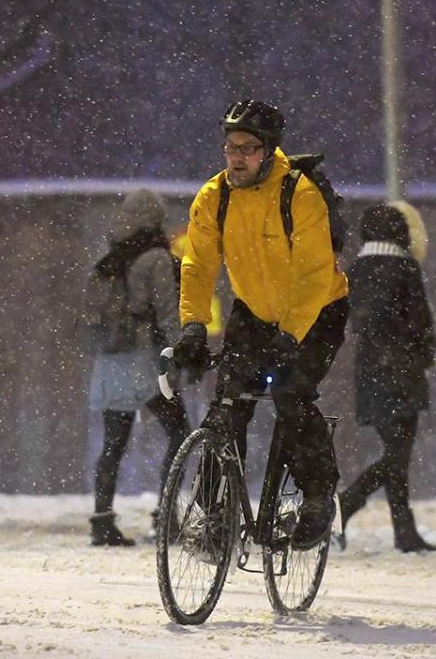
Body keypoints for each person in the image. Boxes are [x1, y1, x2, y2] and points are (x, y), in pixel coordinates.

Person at [174, 100, 350, 550]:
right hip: (254, 311)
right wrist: (194, 327)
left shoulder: (300, 194)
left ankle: (316, 498)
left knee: (290, 394)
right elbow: (197, 264)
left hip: (317, 311)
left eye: (248, 148)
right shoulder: (215, 197)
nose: (237, 156)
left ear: (269, 151)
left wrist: (290, 337)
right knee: (227, 406)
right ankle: (214, 517)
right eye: (230, 146)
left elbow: (314, 274)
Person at [83, 189, 191, 547]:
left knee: (114, 442)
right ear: (156, 218)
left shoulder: (112, 253)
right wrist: (179, 351)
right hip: (144, 360)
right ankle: (165, 516)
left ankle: (102, 520)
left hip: (112, 357)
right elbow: (166, 312)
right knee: (180, 431)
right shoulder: (157, 257)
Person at [338, 202, 436, 552]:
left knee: (395, 454)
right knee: (398, 455)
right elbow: (421, 322)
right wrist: (424, 355)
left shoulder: (356, 270)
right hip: (403, 371)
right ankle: (348, 502)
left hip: (370, 370)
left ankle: (403, 530)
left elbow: (358, 321)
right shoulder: (405, 268)